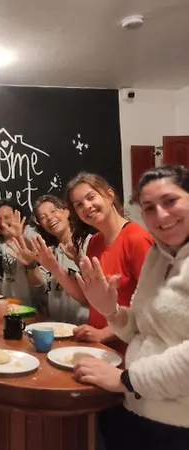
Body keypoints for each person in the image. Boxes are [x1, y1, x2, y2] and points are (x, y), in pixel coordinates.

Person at [73, 165, 189, 450]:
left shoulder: (138, 240)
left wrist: (127, 379)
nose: (161, 215)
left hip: (177, 423)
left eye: (170, 201)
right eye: (149, 208)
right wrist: (111, 310)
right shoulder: (158, 256)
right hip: (138, 406)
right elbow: (141, 326)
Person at [60, 172, 153, 353]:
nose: (87, 206)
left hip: (131, 352)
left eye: (91, 197)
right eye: (79, 205)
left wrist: (103, 333)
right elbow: (95, 299)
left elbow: (151, 305)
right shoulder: (94, 243)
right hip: (99, 348)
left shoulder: (137, 239)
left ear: (109, 195)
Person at [9, 195, 89, 324]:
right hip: (58, 328)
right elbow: (41, 287)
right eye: (43, 217)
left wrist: (79, 259)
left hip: (86, 327)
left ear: (67, 211)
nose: (50, 218)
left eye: (53, 211)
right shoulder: (50, 253)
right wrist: (31, 265)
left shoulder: (90, 243)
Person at [0, 199, 42, 306]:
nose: (2, 223)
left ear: (17, 216)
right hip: (5, 305)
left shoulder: (31, 235)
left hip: (32, 307)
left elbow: (35, 255)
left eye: (7, 217)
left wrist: (19, 236)